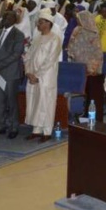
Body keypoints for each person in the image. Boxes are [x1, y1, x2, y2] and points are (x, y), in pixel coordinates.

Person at [25, 11, 62, 142]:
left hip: (46, 77)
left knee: (46, 102)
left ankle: (47, 131)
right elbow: (28, 56)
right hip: (33, 75)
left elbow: (50, 60)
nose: (38, 25)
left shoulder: (55, 39)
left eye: (40, 22)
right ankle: (36, 130)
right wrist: (28, 72)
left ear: (48, 23)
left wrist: (37, 75)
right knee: (34, 101)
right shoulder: (37, 38)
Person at [0, 10, 26, 139]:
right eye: (4, 17)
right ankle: (0, 125)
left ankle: (13, 127)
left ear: (14, 20)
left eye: (8, 17)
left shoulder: (18, 34)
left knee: (11, 102)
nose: (4, 19)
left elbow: (16, 54)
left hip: (10, 73)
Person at [67, 10, 103, 76]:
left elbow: (97, 52)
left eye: (79, 19)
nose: (77, 21)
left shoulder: (94, 33)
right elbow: (71, 45)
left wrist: (91, 67)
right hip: (76, 63)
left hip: (91, 67)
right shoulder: (76, 30)